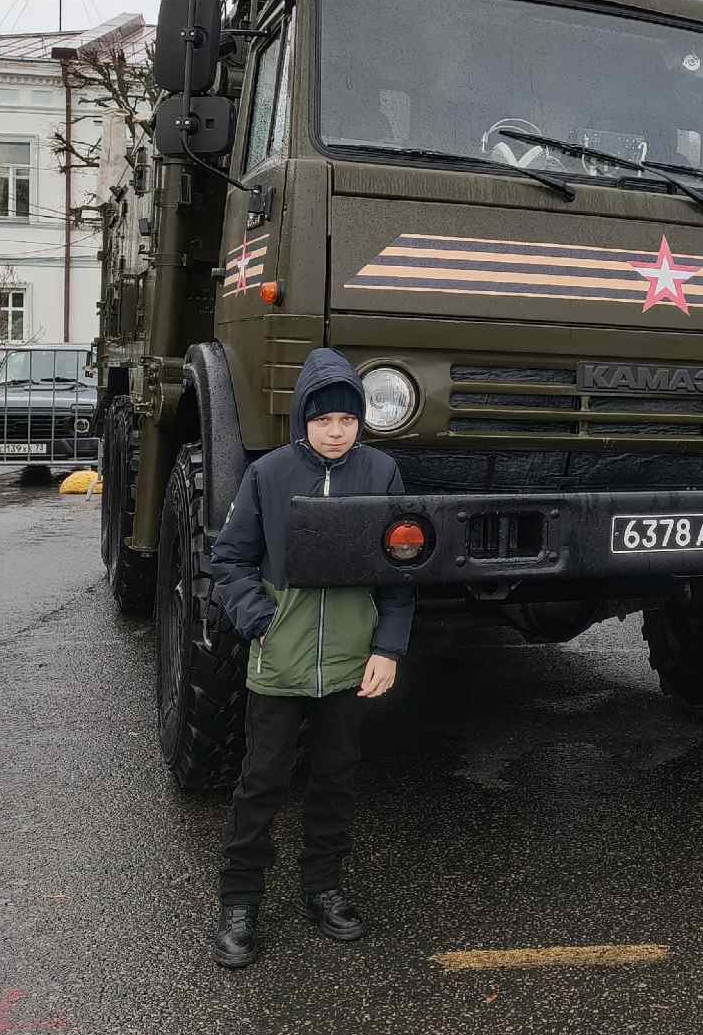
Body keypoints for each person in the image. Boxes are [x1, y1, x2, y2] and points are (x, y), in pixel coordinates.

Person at [209, 348, 415, 968]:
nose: (335, 431)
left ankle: (323, 887)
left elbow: (401, 574)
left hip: (352, 665)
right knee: (263, 780)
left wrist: (388, 648)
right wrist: (260, 621)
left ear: (361, 422)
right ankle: (240, 901)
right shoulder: (267, 475)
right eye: (323, 420)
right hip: (280, 660)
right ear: (303, 418)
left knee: (335, 776)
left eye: (347, 420)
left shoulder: (381, 474)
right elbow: (229, 560)